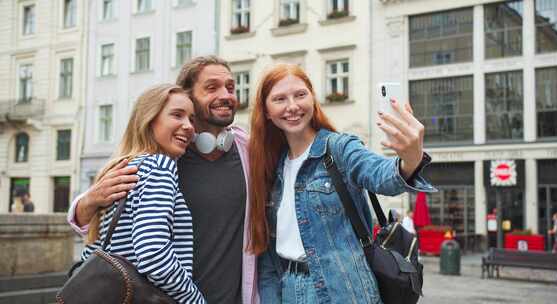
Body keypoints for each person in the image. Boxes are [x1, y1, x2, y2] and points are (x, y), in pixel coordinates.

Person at [67, 56, 258, 304]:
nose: (226, 95)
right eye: (211, 88)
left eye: (231, 88)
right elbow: (148, 251)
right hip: (169, 298)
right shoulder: (163, 159)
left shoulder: (247, 150)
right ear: (189, 95)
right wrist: (89, 200)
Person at [247, 64, 435, 303]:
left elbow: (382, 175)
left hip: (344, 291)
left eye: (300, 95)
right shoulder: (271, 167)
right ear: (266, 111)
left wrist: (410, 158)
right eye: (280, 99)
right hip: (290, 291)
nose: (292, 106)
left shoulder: (339, 148)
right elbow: (268, 260)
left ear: (313, 99)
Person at [81, 84, 204, 303]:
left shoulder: (123, 168)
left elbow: (94, 250)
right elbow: (153, 254)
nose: (188, 127)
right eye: (177, 115)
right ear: (149, 119)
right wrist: (194, 299)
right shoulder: (159, 165)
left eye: (192, 119)